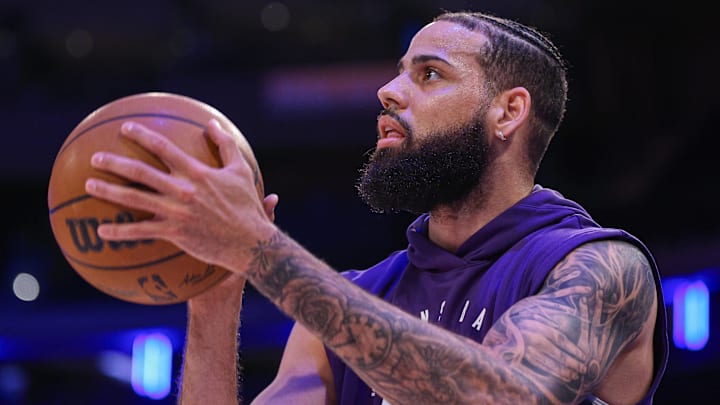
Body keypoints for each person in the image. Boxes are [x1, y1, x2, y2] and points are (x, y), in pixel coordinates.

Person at [84, 10, 669, 405]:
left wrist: (262, 251)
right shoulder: (354, 297)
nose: (388, 92)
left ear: (508, 112)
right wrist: (214, 299)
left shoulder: (598, 268)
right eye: (397, 73)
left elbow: (505, 394)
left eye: (430, 74)